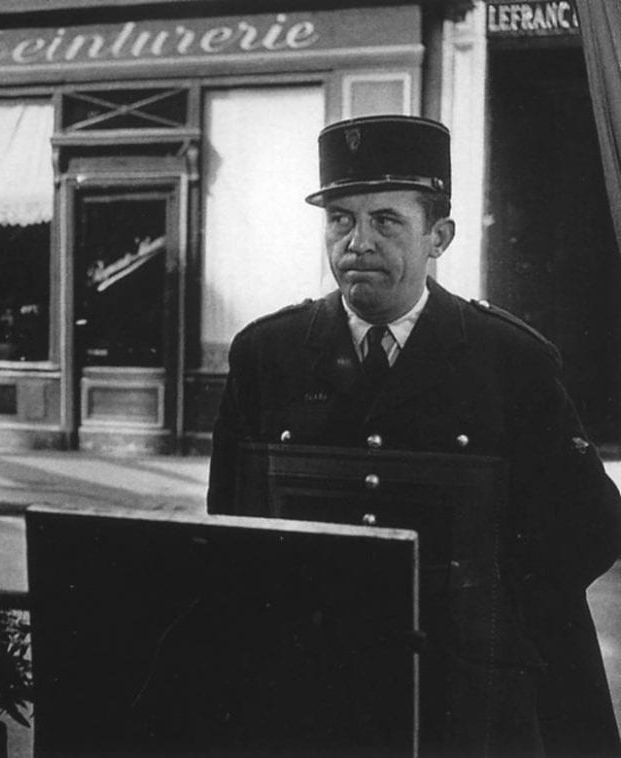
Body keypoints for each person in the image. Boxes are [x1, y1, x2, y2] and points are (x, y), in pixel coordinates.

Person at [207, 115, 621, 756]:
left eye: (386, 221)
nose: (358, 242)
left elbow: (590, 528)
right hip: (314, 682)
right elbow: (230, 520)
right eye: (341, 219)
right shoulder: (268, 355)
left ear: (439, 236)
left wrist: (481, 613)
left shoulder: (510, 360)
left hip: (462, 690)